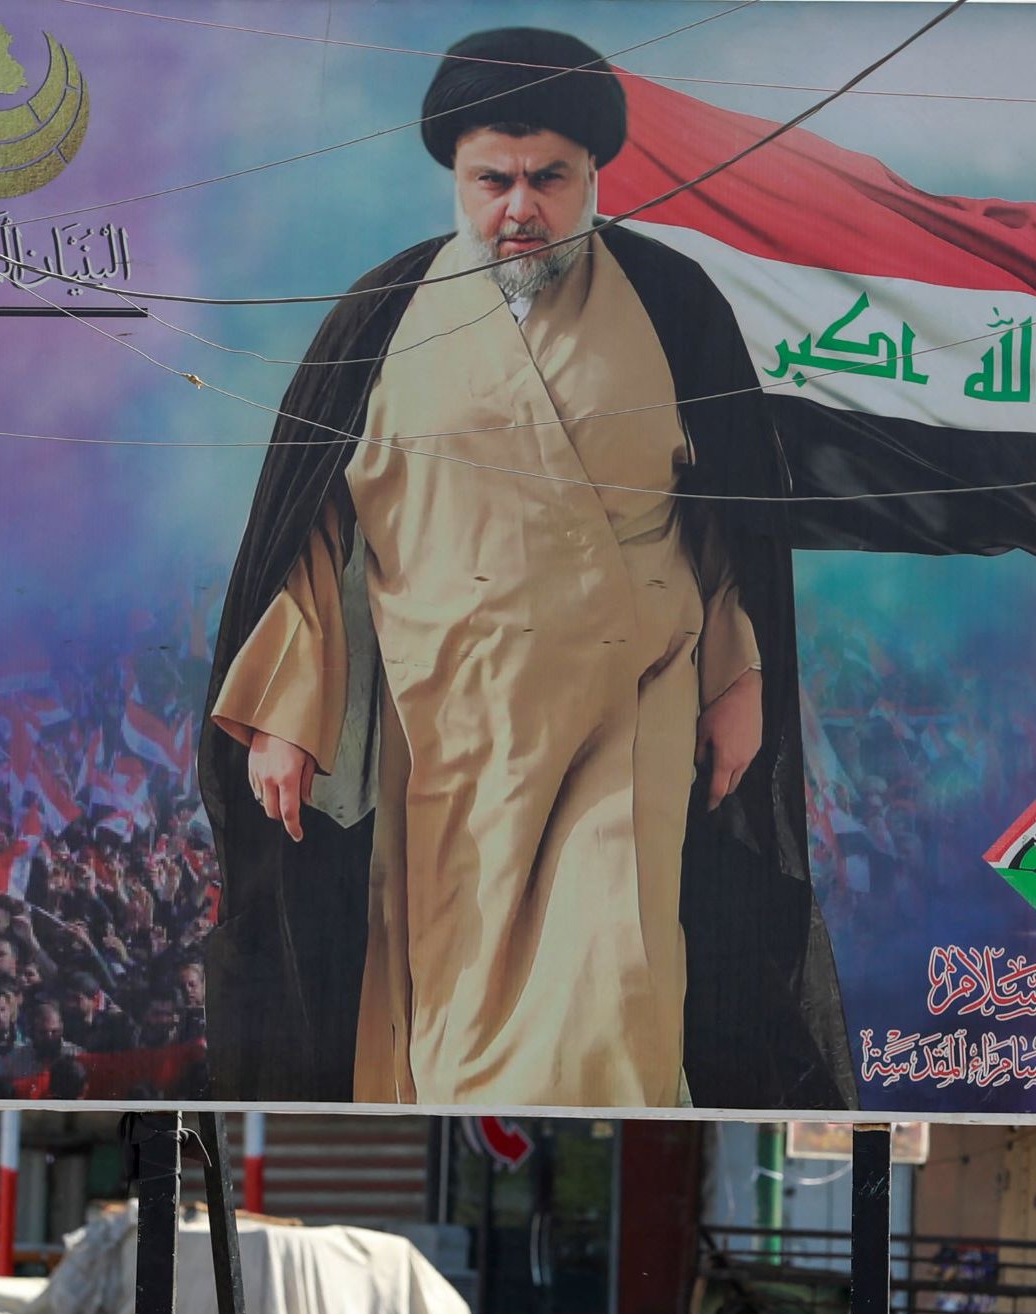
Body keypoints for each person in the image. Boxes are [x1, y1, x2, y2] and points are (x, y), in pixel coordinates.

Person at [201, 26, 852, 1109]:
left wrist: (738, 676)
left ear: (592, 175)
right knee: (453, 1035)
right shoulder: (382, 315)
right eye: (493, 180)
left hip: (629, 709)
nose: (521, 207)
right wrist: (286, 710)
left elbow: (730, 515)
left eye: (548, 178)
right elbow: (311, 526)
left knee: (613, 1001)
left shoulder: (674, 304)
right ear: (455, 177)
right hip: (451, 731)